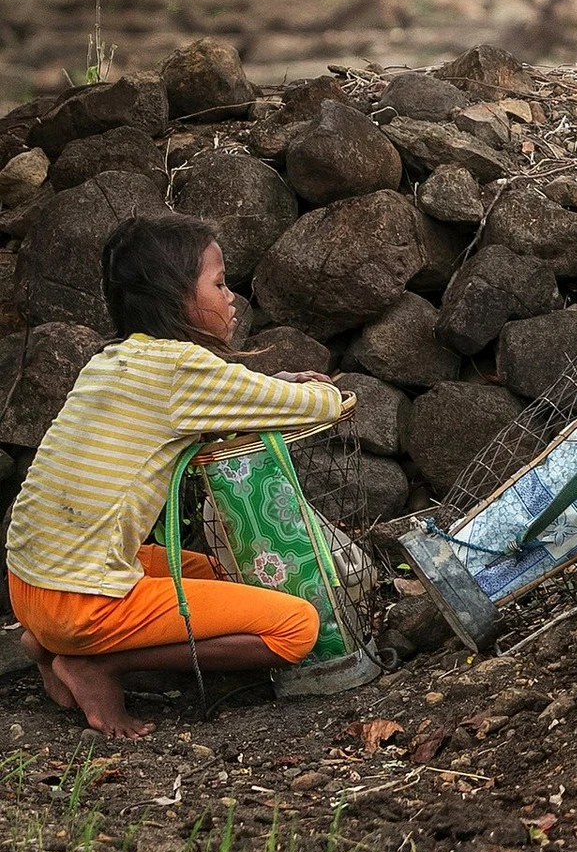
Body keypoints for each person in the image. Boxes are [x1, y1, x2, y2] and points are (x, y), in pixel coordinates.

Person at [6, 213, 344, 738]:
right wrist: (315, 388)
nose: (231, 297)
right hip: (81, 603)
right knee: (295, 628)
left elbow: (218, 397)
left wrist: (265, 387)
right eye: (219, 283)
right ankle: (98, 664)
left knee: (211, 571)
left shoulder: (113, 361)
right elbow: (318, 406)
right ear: (176, 296)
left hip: (31, 586)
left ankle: (48, 644)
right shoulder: (182, 369)